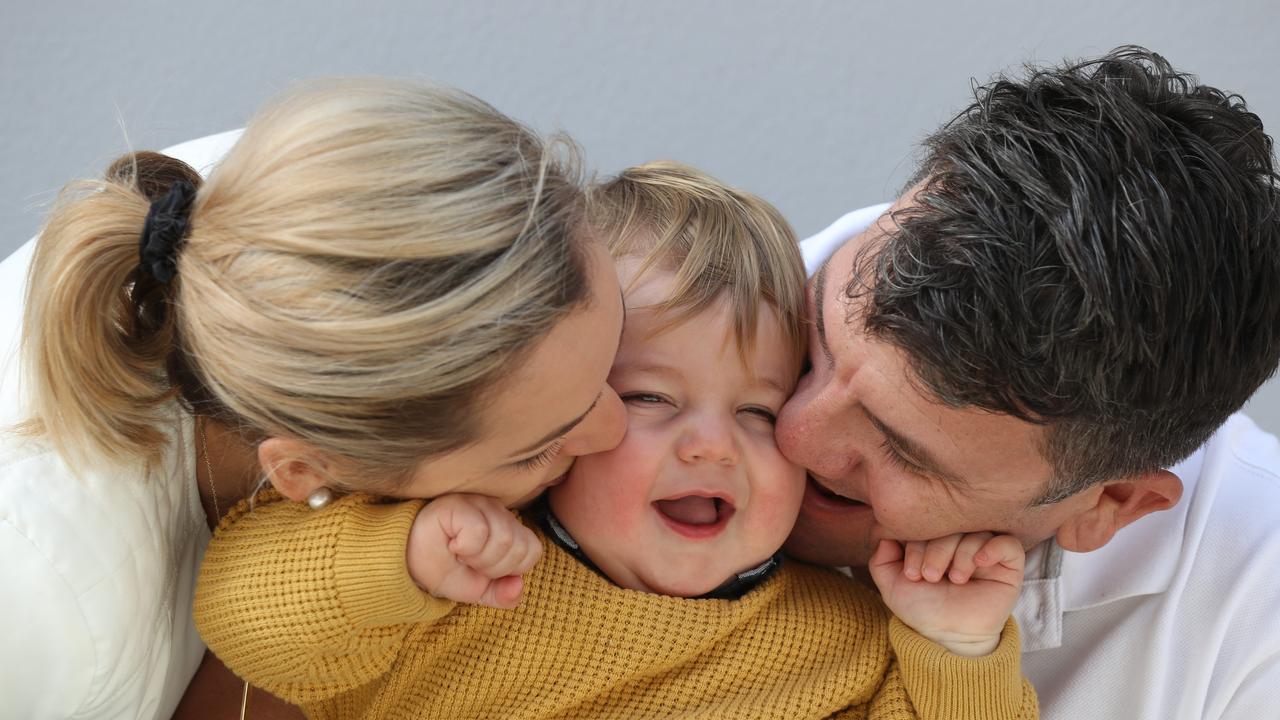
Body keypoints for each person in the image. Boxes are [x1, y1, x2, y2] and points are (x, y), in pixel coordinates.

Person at [194, 161, 1039, 719]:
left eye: (757, 412)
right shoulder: (466, 566)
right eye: (648, 397)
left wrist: (954, 647)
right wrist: (403, 559)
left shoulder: (844, 647)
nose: (712, 446)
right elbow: (249, 622)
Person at [0, 78, 626, 720]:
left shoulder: (343, 209)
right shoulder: (37, 604)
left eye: (622, 352)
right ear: (304, 471)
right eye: (540, 449)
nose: (619, 428)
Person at [781, 46, 1280, 719]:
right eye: (814, 338)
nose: (790, 433)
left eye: (901, 450)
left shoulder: (1257, 618)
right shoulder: (619, 342)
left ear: (1115, 502)